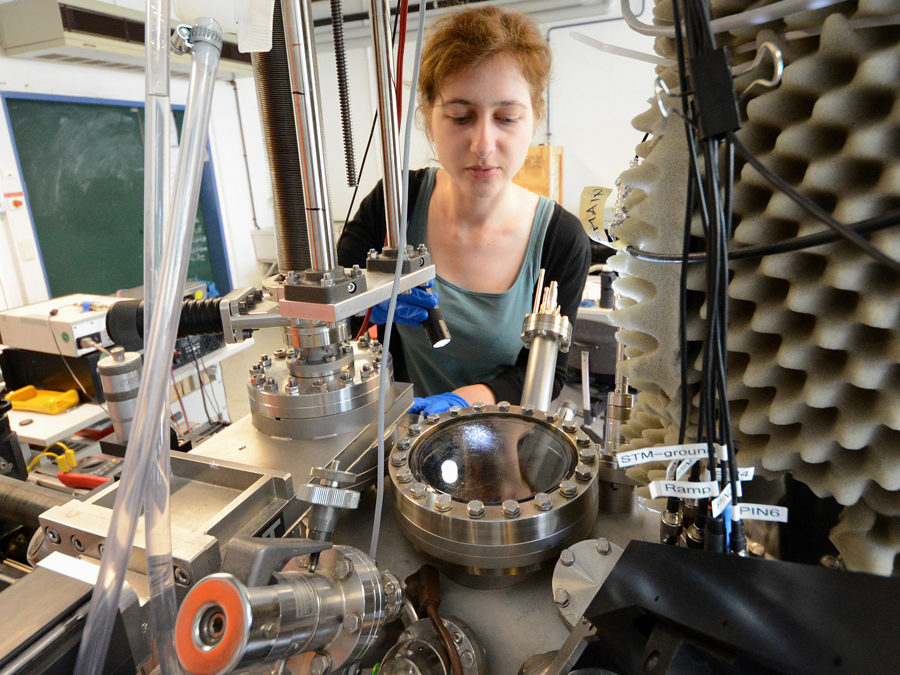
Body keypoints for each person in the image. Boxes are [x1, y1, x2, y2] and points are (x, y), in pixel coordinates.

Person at [337, 5, 590, 415]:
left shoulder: (560, 239)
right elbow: (328, 321)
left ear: (534, 117)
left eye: (506, 118)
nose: (483, 144)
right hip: (400, 440)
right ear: (428, 118)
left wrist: (464, 402)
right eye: (460, 116)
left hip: (503, 441)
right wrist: (360, 308)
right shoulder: (394, 206)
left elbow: (546, 372)